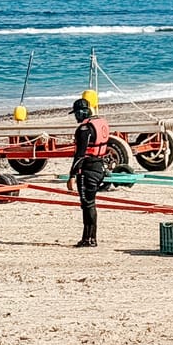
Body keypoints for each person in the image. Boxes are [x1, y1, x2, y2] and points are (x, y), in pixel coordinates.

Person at [65, 96, 111, 247]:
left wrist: (72, 175)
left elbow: (80, 154)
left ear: (82, 112)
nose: (76, 118)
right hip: (100, 166)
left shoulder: (84, 129)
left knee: (87, 204)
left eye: (77, 114)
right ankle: (90, 238)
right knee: (90, 204)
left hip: (88, 170)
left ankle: (89, 239)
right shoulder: (99, 123)